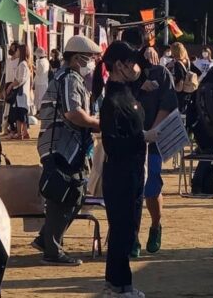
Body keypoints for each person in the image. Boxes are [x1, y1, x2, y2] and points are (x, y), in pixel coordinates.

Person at [33, 35, 101, 266]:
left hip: (61, 145)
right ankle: (52, 250)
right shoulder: (70, 79)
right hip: (62, 146)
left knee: (67, 194)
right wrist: (98, 123)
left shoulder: (65, 77)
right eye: (88, 58)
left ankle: (46, 240)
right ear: (75, 58)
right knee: (66, 194)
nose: (91, 62)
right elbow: (74, 114)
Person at [100, 41, 159, 298]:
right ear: (118, 66)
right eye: (129, 63)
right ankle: (120, 283)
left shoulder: (126, 91)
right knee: (121, 229)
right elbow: (112, 144)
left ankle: (118, 282)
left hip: (134, 169)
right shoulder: (112, 100)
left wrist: (146, 50)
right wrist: (143, 137)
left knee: (129, 227)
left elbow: (142, 68)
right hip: (120, 172)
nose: (135, 67)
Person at [120, 26, 179, 256]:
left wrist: (152, 131)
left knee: (151, 188)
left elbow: (168, 104)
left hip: (153, 140)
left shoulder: (160, 72)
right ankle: (132, 235)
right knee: (130, 189)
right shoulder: (123, 72)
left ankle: (155, 226)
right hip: (129, 139)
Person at [5, 44, 33, 140]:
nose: (16, 52)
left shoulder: (22, 64)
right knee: (22, 113)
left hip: (20, 92)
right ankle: (24, 132)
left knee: (18, 114)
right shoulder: (26, 64)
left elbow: (20, 79)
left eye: (17, 51)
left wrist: (11, 85)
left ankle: (20, 133)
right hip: (23, 93)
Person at [170, 42, 198, 111]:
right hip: (189, 93)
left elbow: (180, 81)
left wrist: (174, 89)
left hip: (180, 95)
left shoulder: (177, 64)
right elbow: (199, 73)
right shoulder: (188, 61)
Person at [34, 47, 50, 115]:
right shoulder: (45, 61)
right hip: (42, 82)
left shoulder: (41, 62)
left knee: (39, 97)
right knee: (40, 97)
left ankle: (40, 111)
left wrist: (33, 68)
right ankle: (39, 111)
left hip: (41, 83)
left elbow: (38, 72)